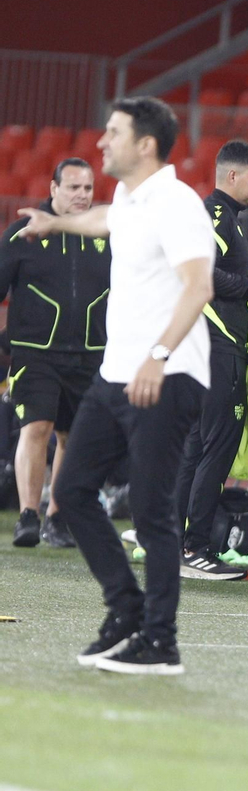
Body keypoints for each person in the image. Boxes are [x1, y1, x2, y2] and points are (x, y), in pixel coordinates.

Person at [18, 97, 215, 675]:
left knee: (153, 513)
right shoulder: (131, 199)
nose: (101, 142)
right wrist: (56, 222)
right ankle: (125, 610)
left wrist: (159, 355)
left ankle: (161, 642)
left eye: (113, 133)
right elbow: (103, 218)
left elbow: (199, 285)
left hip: (166, 375)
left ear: (145, 144)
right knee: (73, 492)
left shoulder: (177, 203)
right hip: (115, 376)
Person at [173, 140, 248, 581]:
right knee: (216, 447)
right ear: (232, 176)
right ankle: (196, 547)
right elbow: (201, 275)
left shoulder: (225, 219)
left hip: (209, 344)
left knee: (197, 447)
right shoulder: (215, 215)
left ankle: (175, 541)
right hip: (216, 344)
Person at [0, 156, 109, 549]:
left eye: (88, 188)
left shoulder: (106, 233)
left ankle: (56, 517)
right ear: (53, 189)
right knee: (37, 428)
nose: (82, 195)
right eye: (74, 187)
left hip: (91, 353)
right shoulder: (22, 234)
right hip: (35, 352)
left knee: (72, 437)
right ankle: (27, 515)